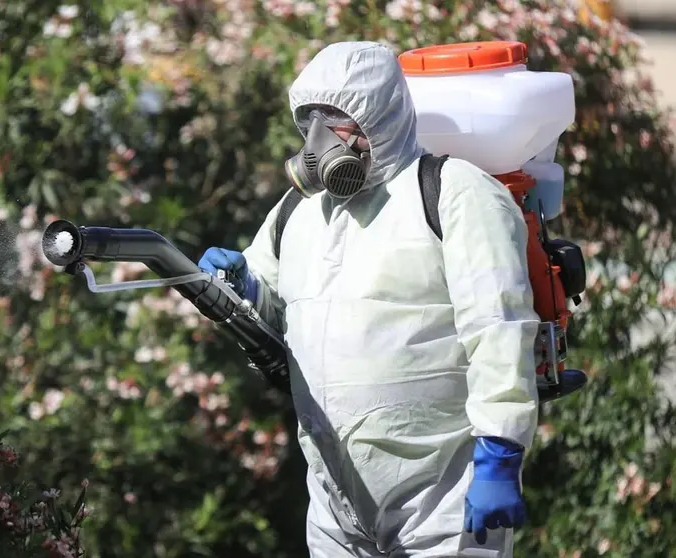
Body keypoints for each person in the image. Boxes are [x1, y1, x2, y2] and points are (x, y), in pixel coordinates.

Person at [198, 41, 539, 557]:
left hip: (443, 495)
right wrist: (243, 285)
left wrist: (500, 453)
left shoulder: (452, 191)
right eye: (309, 118)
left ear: (379, 115)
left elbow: (499, 325)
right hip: (334, 500)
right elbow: (275, 311)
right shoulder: (300, 211)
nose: (318, 138)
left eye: (335, 118)